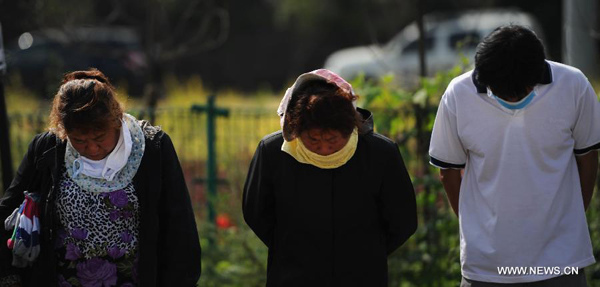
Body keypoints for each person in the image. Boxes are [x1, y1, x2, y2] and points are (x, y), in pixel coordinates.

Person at [429, 25, 600, 286]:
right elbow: (448, 172)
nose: (509, 98)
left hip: (562, 263)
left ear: (538, 72)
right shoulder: (458, 94)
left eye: (518, 91)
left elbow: (587, 158)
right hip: (486, 268)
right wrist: (476, 229)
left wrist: (572, 215)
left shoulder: (573, 86)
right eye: (500, 91)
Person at [0, 69, 202, 287]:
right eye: (79, 140)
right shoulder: (48, 150)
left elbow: (180, 229)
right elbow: (8, 209)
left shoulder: (153, 149)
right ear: (63, 130)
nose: (92, 148)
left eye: (99, 137)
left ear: (116, 120)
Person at [243, 69, 417, 286]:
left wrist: (365, 253)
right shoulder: (273, 153)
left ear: (349, 128)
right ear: (296, 129)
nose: (324, 149)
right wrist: (291, 249)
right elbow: (256, 213)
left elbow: (403, 220)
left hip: (362, 277)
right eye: (314, 140)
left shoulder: (380, 154)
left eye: (332, 140)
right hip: (293, 277)